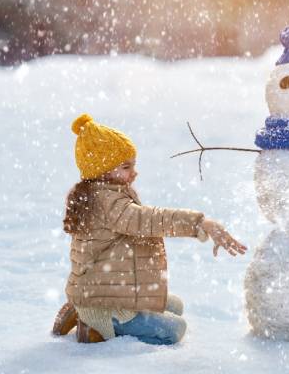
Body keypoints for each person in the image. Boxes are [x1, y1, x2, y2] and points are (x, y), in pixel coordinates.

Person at [51, 113, 247, 344]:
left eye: (133, 165)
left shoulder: (99, 193)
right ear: (101, 170)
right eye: (126, 167)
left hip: (102, 286)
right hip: (108, 299)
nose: (134, 172)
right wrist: (198, 223)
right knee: (174, 330)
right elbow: (150, 219)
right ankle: (97, 324)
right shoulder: (109, 203)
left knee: (175, 305)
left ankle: (84, 306)